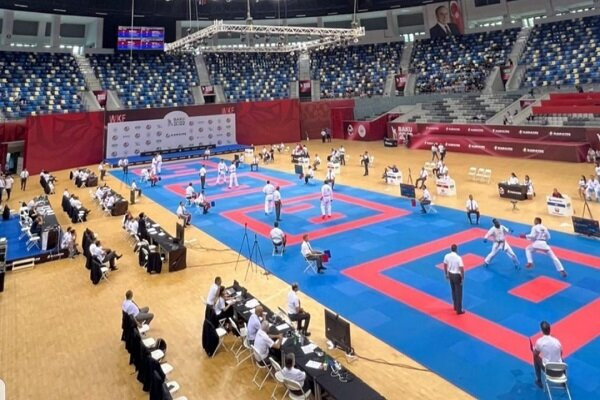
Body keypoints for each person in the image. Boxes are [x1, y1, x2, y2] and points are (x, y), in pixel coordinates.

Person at [443, 244, 464, 315]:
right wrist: (462, 277)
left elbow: (445, 265)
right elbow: (461, 268)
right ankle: (459, 310)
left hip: (450, 274)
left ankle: (455, 306)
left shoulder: (447, 256)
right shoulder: (458, 258)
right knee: (459, 293)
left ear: (451, 249)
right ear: (456, 249)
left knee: (453, 290)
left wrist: (446, 274)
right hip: (457, 275)